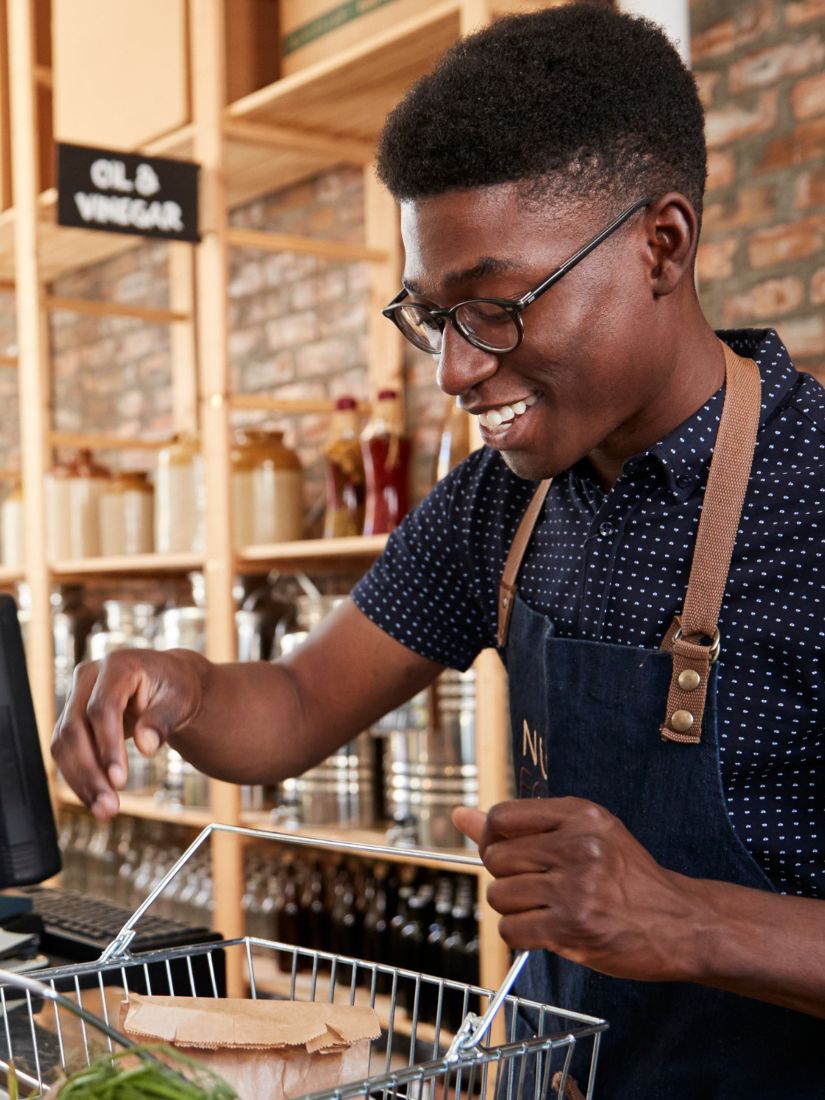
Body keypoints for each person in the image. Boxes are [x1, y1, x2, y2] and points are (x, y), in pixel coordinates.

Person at [53, 3, 824, 1096]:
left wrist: (687, 918)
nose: (455, 371)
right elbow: (295, 704)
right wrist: (175, 686)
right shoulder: (499, 510)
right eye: (430, 316)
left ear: (664, 245)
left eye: (496, 308)